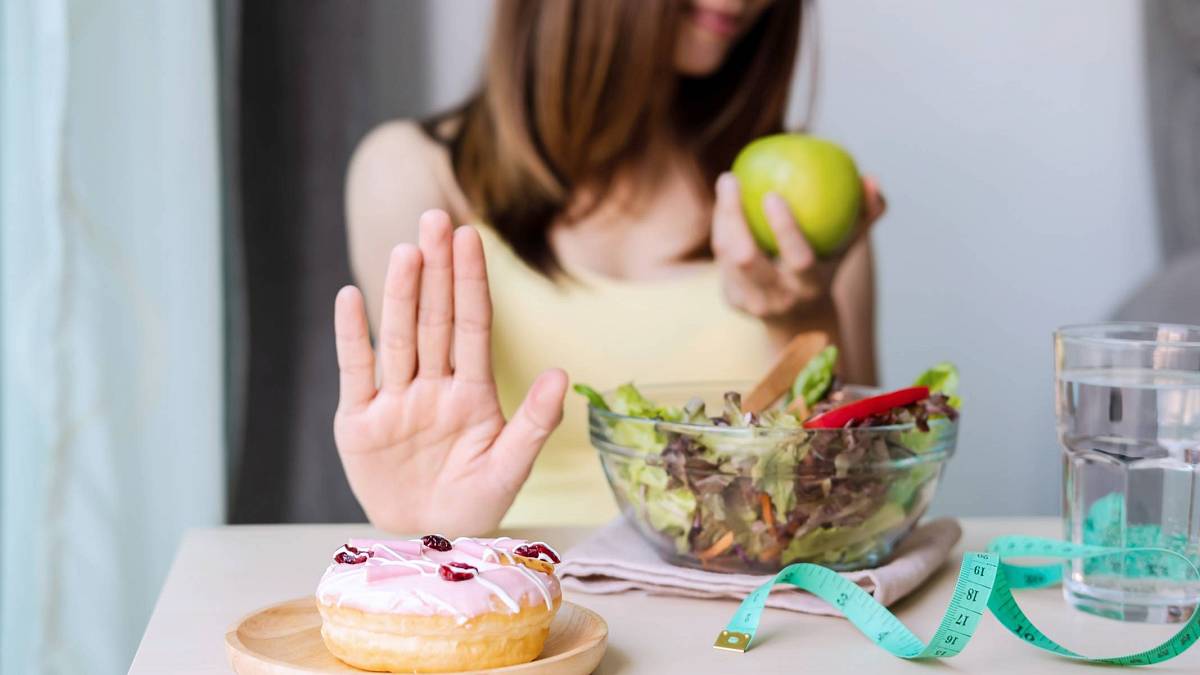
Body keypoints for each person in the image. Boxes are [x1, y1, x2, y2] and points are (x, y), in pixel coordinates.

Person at [333, 0, 886, 534]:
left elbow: (859, 501)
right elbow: (425, 462)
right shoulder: (412, 173)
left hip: (739, 608)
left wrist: (803, 319)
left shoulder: (802, 217)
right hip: (508, 591)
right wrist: (432, 531)